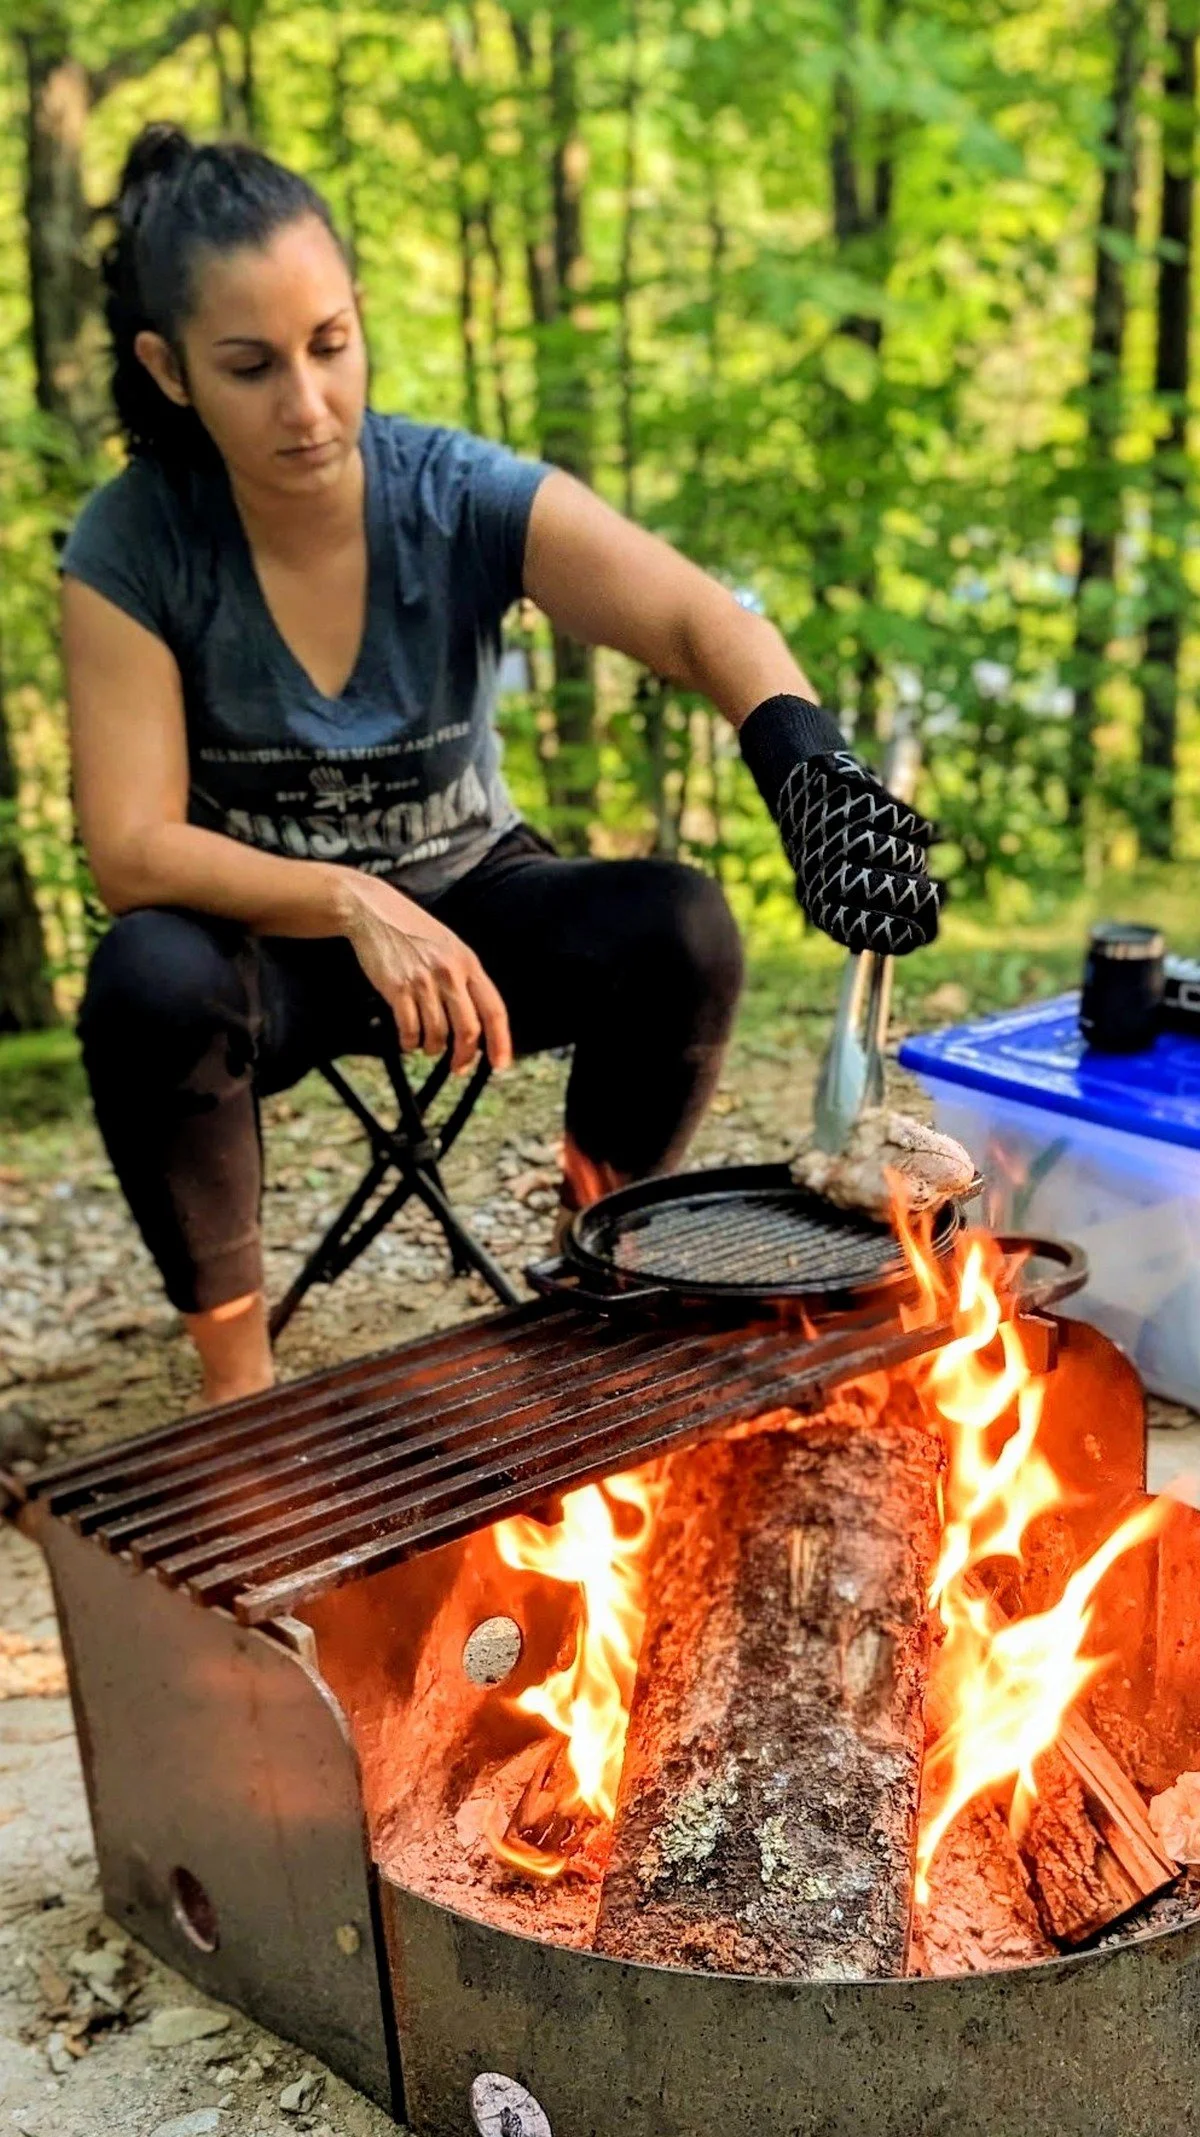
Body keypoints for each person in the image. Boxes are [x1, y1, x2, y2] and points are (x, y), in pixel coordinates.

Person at [62, 124, 938, 1409]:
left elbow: (701, 620)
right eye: (250, 367)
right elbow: (131, 849)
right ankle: (240, 1397)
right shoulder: (136, 541)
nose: (307, 404)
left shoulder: (452, 492)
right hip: (263, 948)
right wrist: (353, 900)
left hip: (476, 911)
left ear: (360, 318)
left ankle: (601, 1276)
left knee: (680, 925)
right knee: (146, 977)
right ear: (169, 368)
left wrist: (808, 767)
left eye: (330, 345)